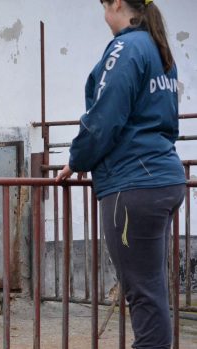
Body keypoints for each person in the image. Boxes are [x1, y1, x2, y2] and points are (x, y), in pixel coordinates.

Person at [55, 1, 185, 347]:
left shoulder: (126, 47)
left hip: (133, 184)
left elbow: (104, 118)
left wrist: (78, 157)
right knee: (151, 288)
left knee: (142, 293)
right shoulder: (157, 47)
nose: (104, 18)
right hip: (162, 176)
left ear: (115, 4)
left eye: (104, 8)